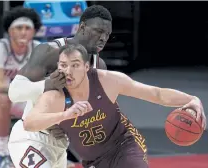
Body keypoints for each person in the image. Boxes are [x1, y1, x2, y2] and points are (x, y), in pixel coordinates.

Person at [21, 44, 206, 168]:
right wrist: (64, 115)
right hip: (92, 160)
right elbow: (29, 123)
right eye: (63, 65)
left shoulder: (108, 81)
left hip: (123, 145)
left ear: (87, 67)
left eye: (75, 65)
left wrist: (191, 99)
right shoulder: (55, 95)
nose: (68, 71)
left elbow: (155, 94)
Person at [8, 5, 112, 168]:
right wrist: (47, 84)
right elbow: (14, 93)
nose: (103, 38)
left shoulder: (99, 66)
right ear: (82, 27)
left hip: (60, 145)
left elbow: (94, 112)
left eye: (107, 34)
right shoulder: (49, 51)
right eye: (99, 31)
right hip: (32, 136)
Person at [0, 6, 41, 168]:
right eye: (19, 28)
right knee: (4, 98)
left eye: (27, 28)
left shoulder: (38, 48)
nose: (23, 32)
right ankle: (3, 154)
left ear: (34, 32)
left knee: (49, 100)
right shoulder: (0, 47)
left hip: (22, 98)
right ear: (10, 31)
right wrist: (28, 87)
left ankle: (41, 152)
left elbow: (45, 83)